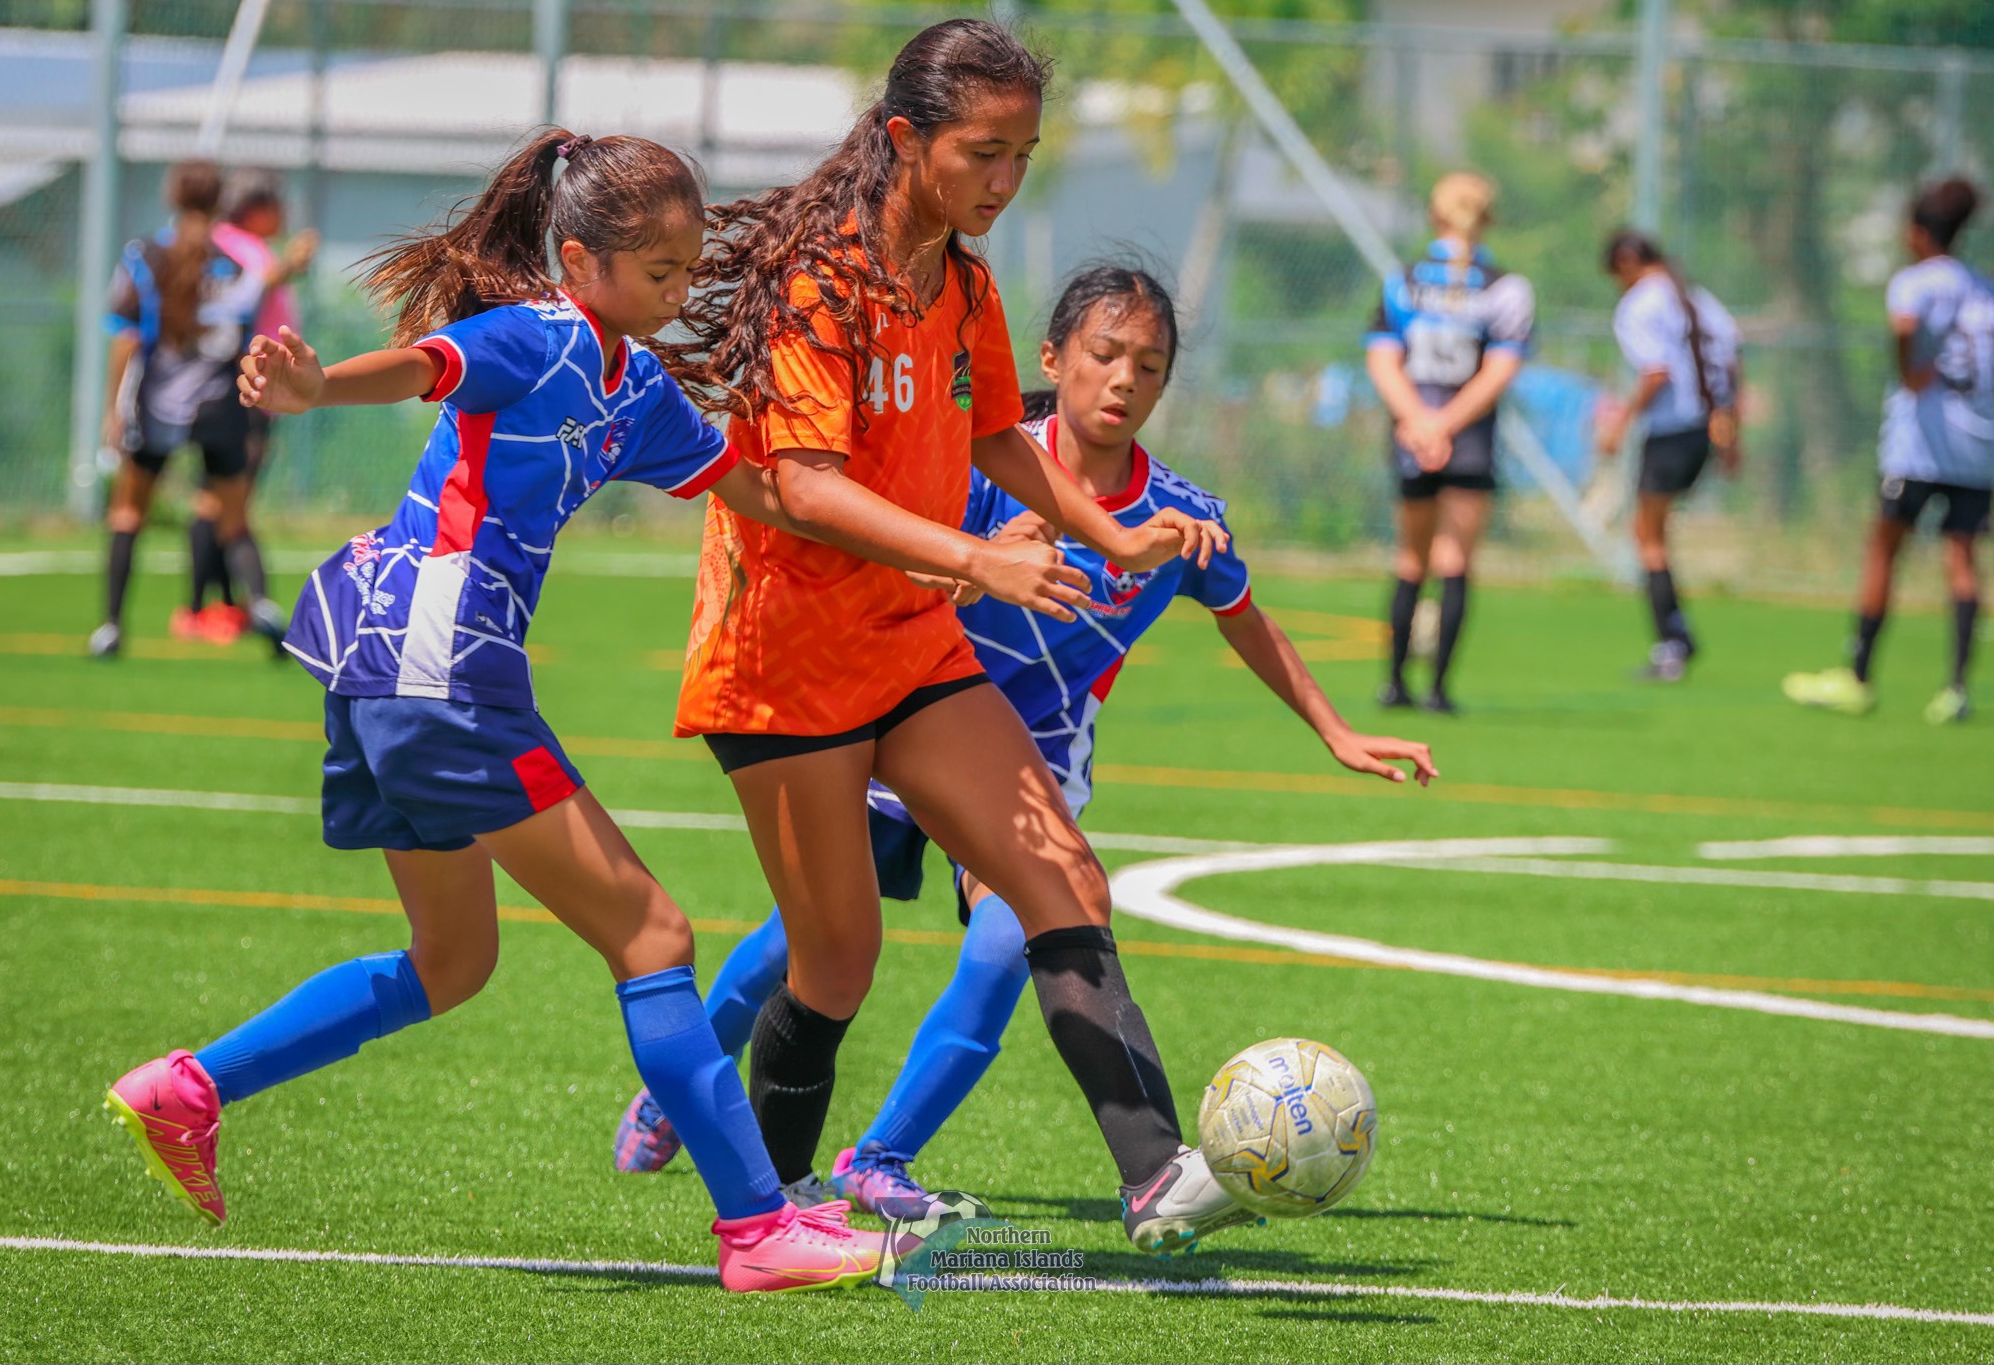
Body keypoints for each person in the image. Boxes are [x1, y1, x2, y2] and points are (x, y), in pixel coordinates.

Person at [103, 130, 898, 1294]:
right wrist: (318, 385)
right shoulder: (541, 333)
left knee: (452, 960)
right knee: (654, 937)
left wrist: (937, 542)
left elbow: (762, 491)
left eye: (687, 272)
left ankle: (187, 1089)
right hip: (433, 649)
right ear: (578, 262)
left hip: (380, 648)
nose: (678, 294)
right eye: (659, 272)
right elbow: (424, 366)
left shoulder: (642, 393)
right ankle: (757, 1229)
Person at [617, 263, 1437, 1232]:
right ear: (1050, 360)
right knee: (806, 943)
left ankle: (878, 1159)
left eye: (1148, 365)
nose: (1122, 380)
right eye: (1102, 355)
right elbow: (893, 583)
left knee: (1008, 943)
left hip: (1035, 757)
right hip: (908, 717)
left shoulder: (1183, 519)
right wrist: (986, 564)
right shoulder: (975, 477)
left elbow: (1245, 619)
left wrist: (1334, 731)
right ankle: (682, 1092)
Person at [655, 20, 1251, 1254]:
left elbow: (993, 438)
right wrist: (981, 559)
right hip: (784, 656)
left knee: (1060, 878)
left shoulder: (965, 283)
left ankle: (1155, 1177)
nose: (1004, 181)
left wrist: (1110, 534)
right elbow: (808, 484)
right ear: (902, 139)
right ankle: (767, 1215)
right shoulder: (820, 278)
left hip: (909, 639)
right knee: (835, 963)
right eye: (983, 152)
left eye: (1023, 156)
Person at [1784, 177, 1994, 723]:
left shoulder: (1914, 282)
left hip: (1920, 445)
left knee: (1884, 547)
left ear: (1917, 233)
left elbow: (1905, 326)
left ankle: (1857, 676)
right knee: (1961, 558)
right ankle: (1955, 688)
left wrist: (1910, 370)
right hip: (1977, 444)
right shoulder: (1989, 291)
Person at [92, 160, 277, 658]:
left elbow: (125, 337)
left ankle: (110, 627)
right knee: (233, 518)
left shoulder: (145, 255)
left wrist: (113, 410)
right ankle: (261, 605)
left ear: (172, 195)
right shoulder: (239, 263)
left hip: (158, 406)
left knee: (129, 512)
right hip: (222, 403)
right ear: (221, 201)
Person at [1366, 171, 1535, 713]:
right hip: (1468, 439)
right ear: (1487, 219)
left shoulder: (1404, 278)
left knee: (1410, 559)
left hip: (1413, 436)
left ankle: (1394, 684)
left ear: (1435, 217)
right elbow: (1498, 371)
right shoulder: (1506, 286)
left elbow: (1383, 359)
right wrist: (1448, 425)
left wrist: (1419, 421)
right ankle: (1438, 690)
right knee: (1455, 559)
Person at [175, 170, 321, 645]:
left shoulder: (243, 244)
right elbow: (245, 293)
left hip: (253, 390)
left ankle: (224, 606)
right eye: (276, 205)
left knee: (227, 502)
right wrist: (288, 265)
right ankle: (202, 608)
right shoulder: (231, 245)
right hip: (235, 390)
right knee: (219, 501)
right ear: (256, 209)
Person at [1598, 229, 1742, 681]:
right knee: (1652, 532)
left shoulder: (1640, 304)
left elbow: (1656, 372)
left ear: (1625, 263)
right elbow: (1732, 359)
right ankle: (1677, 636)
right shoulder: (1696, 298)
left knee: (1647, 535)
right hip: (1702, 428)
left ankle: (1672, 644)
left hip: (1670, 430)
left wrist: (1620, 422)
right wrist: (1730, 430)